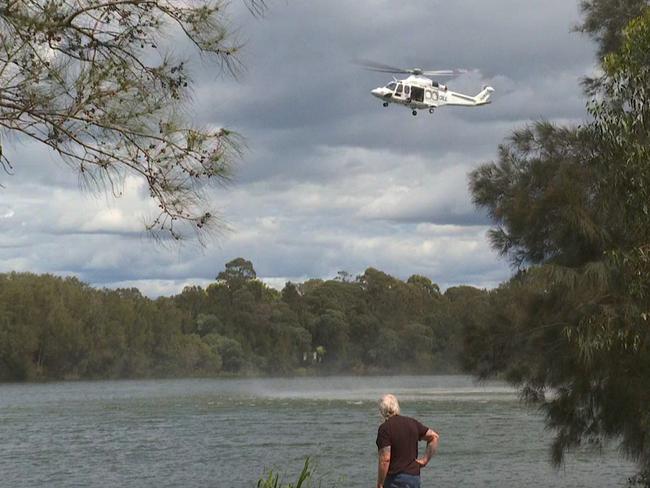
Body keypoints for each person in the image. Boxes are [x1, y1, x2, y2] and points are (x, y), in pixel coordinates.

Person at [375, 394, 439, 488]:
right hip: (414, 477)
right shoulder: (411, 423)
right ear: (397, 407)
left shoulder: (385, 428)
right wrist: (424, 460)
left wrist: (380, 484)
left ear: (382, 410)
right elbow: (434, 437)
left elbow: (385, 459)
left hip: (395, 479)